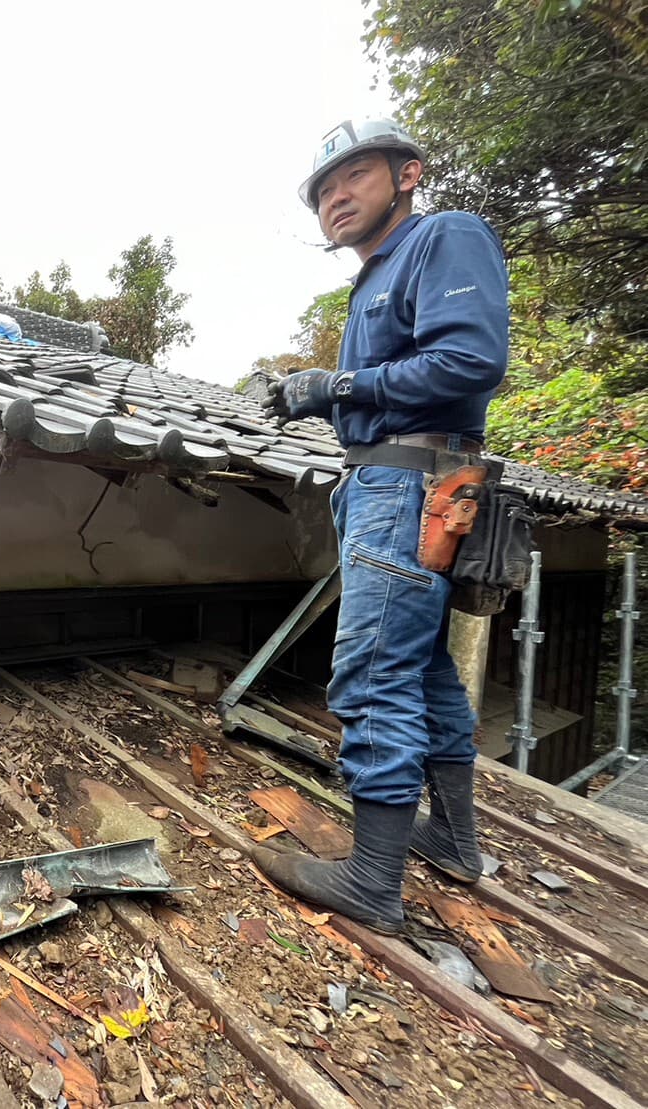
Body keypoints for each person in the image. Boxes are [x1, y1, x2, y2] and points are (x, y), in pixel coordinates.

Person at [257, 119, 510, 934]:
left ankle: (372, 882)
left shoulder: (443, 236)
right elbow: (389, 385)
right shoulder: (377, 276)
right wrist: (322, 393)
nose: (334, 197)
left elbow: (469, 361)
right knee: (423, 667)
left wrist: (337, 385)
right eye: (322, 191)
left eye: (354, 176)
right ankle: (455, 842)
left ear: (408, 174)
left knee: (371, 673)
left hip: (408, 486)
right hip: (391, 480)